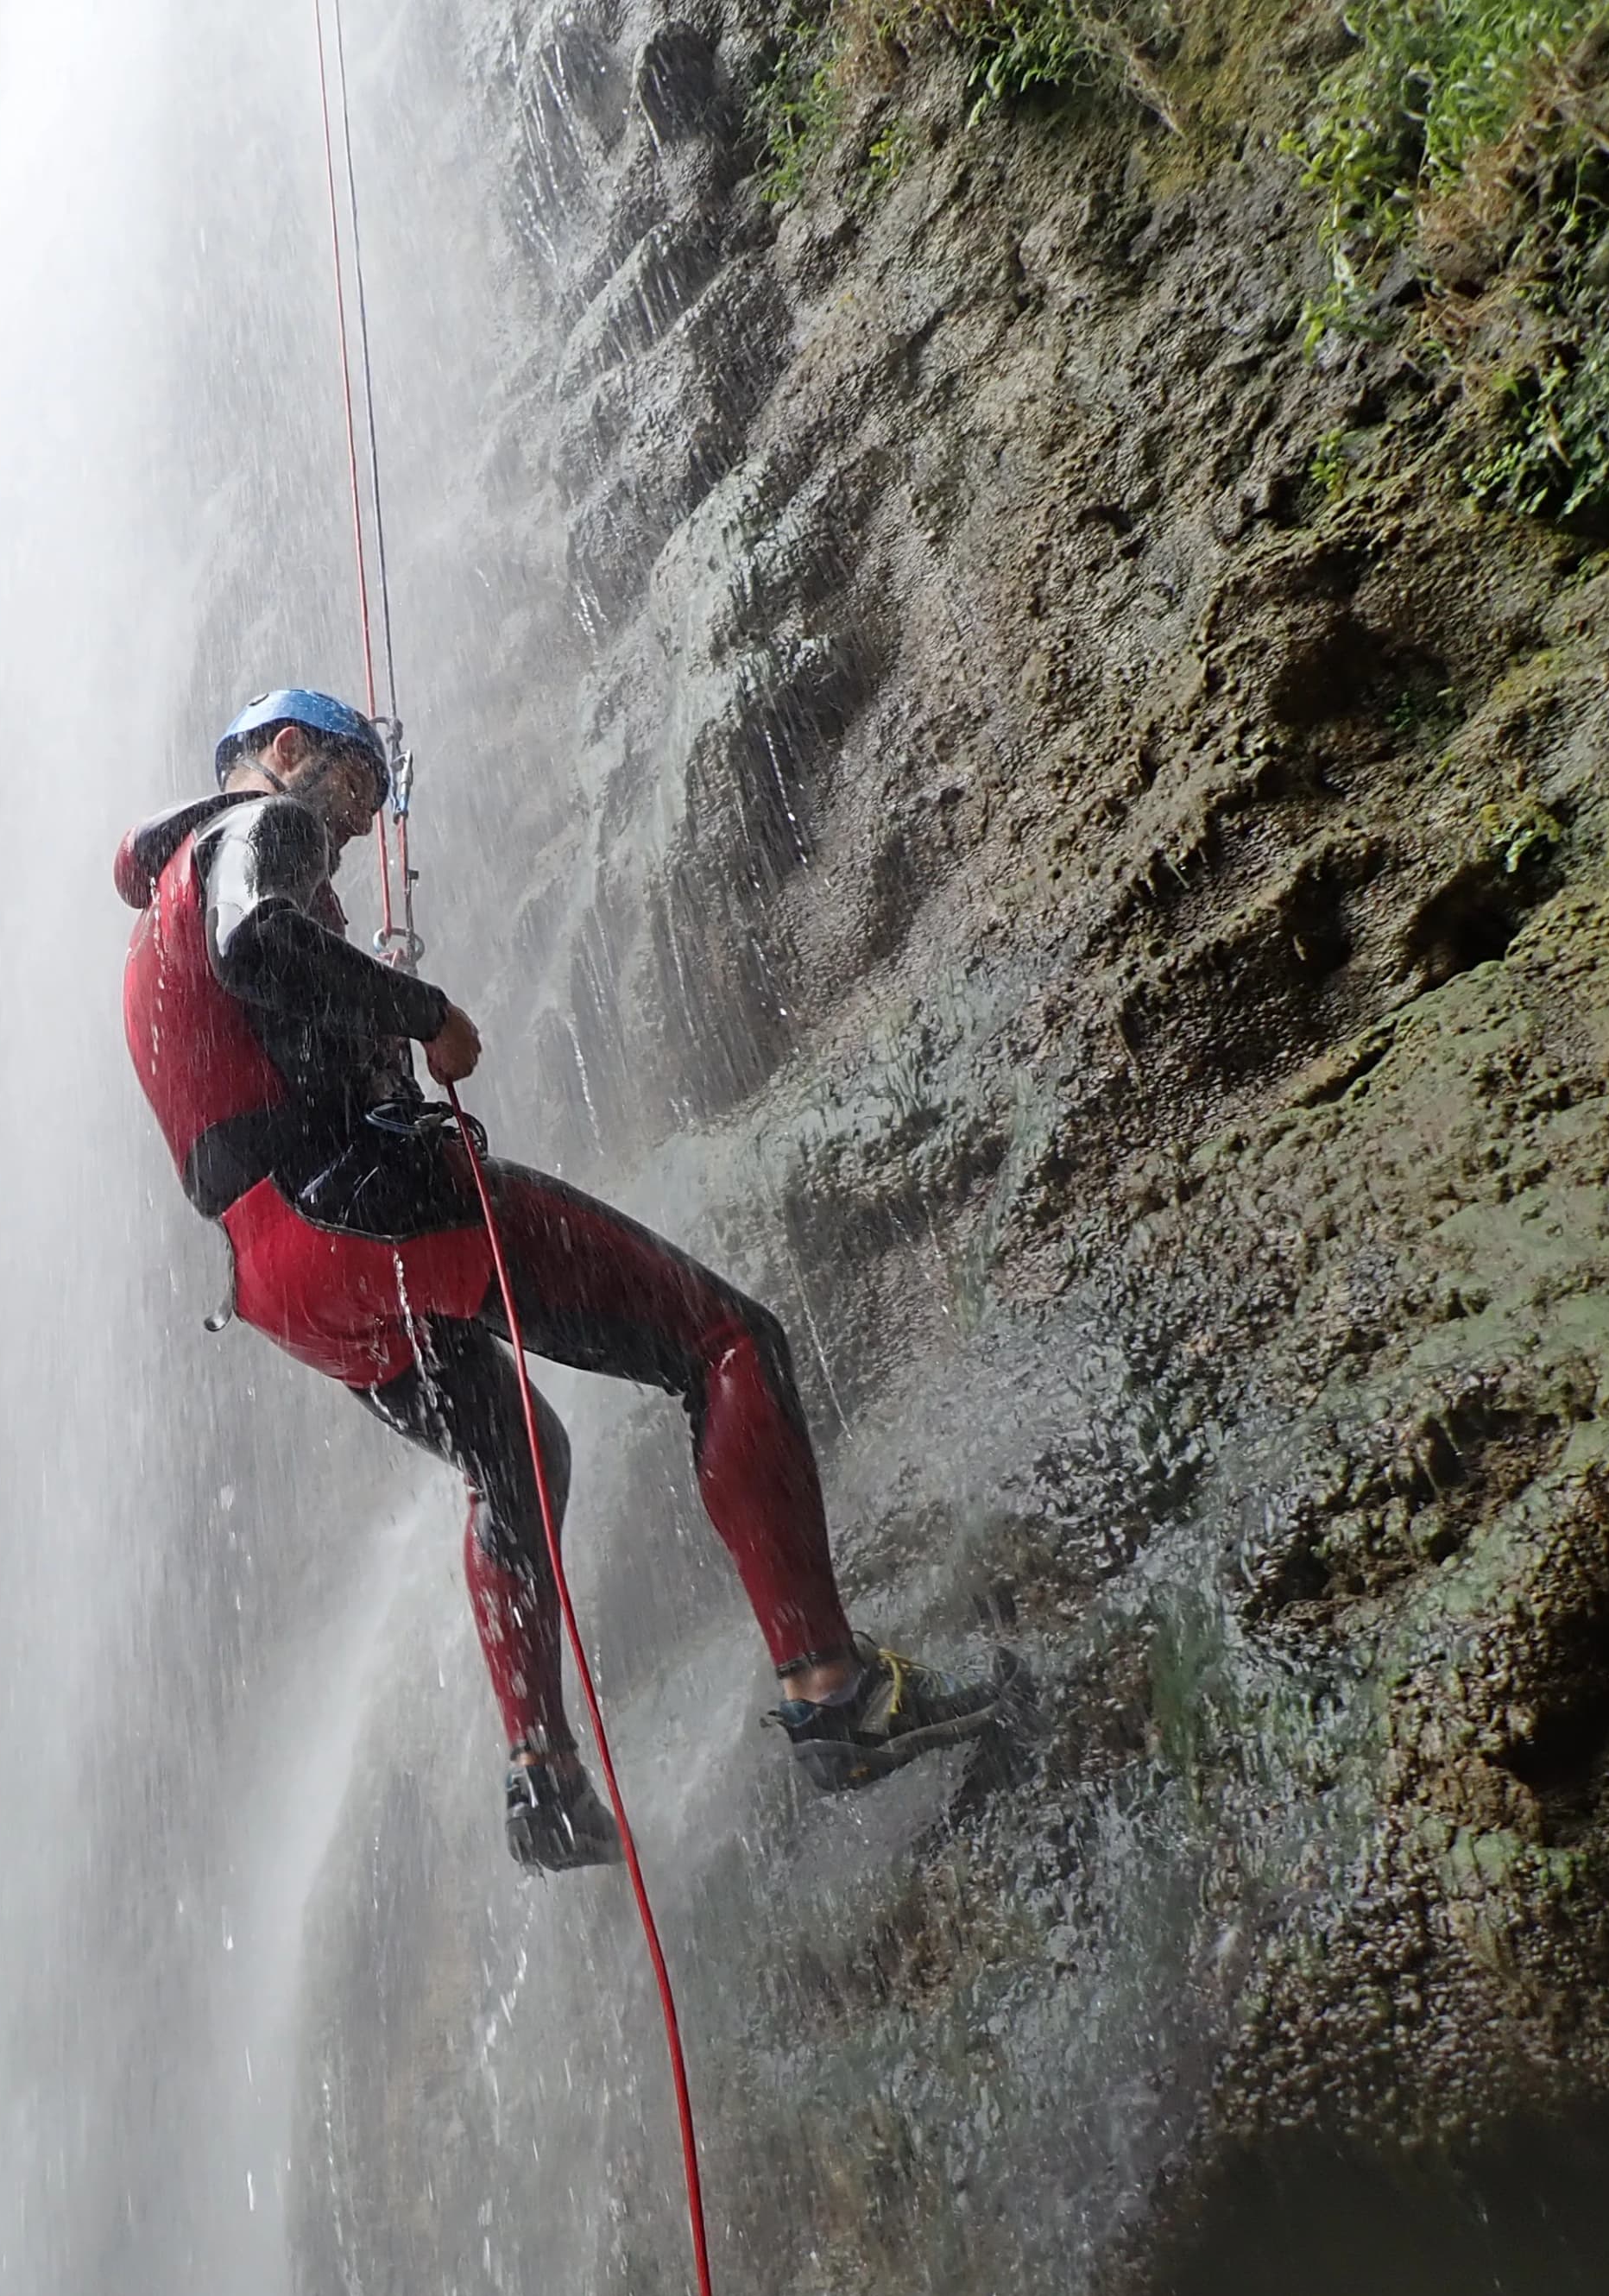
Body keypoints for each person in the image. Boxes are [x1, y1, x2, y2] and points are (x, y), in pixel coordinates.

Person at [115, 687, 999, 1871]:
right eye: (359, 792)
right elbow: (257, 943)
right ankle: (837, 1694)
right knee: (727, 1344)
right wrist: (425, 1014)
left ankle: (541, 1780)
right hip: (365, 1208)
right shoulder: (259, 828)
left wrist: (368, 1030)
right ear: (288, 751)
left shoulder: (150, 926)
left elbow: (251, 1030)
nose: (361, 830)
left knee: (519, 1455)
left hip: (283, 1287)